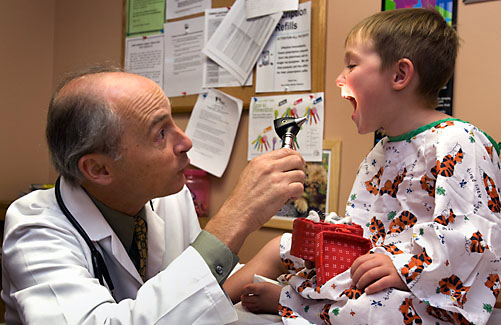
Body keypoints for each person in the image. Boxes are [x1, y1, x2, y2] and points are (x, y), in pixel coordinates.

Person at [223, 8, 501, 324]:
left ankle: (291, 301)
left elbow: (470, 238)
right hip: (373, 271)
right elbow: (367, 227)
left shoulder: (459, 141)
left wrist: (404, 268)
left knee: (377, 308)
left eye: (352, 65)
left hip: (423, 293)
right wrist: (328, 237)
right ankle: (204, 301)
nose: (340, 80)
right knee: (282, 245)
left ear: (399, 75)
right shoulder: (382, 151)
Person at [1, 66, 306, 324]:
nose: (186, 141)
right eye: (160, 133)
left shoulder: (169, 197)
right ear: (98, 168)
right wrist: (236, 216)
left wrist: (276, 252)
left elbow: (198, 288)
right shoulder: (35, 231)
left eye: (174, 122)